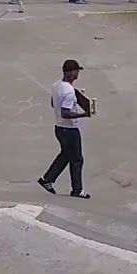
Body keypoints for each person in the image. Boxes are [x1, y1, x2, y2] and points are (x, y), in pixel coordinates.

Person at [37, 59, 92, 199]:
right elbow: (65, 113)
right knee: (77, 159)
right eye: (77, 70)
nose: (78, 73)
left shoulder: (57, 86)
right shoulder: (69, 91)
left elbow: (52, 103)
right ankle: (77, 190)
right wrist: (83, 114)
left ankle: (47, 179)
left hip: (59, 128)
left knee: (66, 155)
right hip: (70, 129)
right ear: (71, 72)